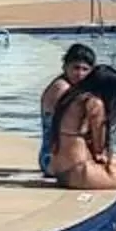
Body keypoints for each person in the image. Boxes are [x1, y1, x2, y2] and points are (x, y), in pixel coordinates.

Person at [47, 65, 116, 210]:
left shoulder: (71, 97)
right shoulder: (94, 103)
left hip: (60, 169)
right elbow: (99, 148)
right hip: (78, 172)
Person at [38, 42, 97, 175]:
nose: (80, 73)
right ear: (65, 67)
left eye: (85, 69)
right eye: (76, 68)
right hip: (52, 160)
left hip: (63, 157)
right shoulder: (62, 88)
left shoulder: (76, 89)